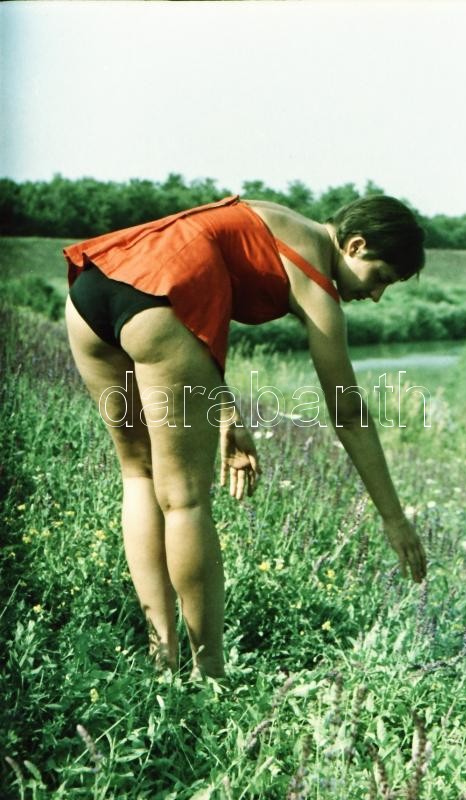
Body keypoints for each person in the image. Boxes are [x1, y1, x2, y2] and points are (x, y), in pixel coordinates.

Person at [64, 193, 427, 680]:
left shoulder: (274, 216)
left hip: (95, 286)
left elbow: (200, 268)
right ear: (355, 245)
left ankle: (162, 656)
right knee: (184, 499)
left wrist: (225, 412)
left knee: (139, 474)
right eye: (380, 277)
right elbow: (348, 413)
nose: (376, 295)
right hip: (157, 303)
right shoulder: (317, 287)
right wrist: (393, 518)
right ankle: (208, 673)